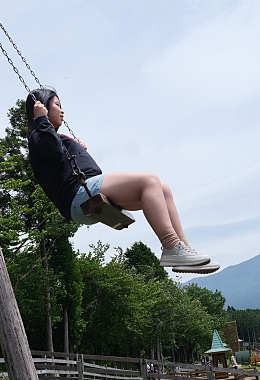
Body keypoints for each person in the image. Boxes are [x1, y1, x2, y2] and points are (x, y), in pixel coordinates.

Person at [26, 88, 215, 270]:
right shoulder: (38, 136)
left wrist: (76, 148)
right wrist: (41, 119)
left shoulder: (51, 137)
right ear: (42, 107)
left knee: (162, 189)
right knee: (149, 180)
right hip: (78, 197)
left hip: (85, 193)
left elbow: (58, 156)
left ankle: (183, 247)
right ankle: (171, 245)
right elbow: (53, 149)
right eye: (57, 105)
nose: (62, 110)